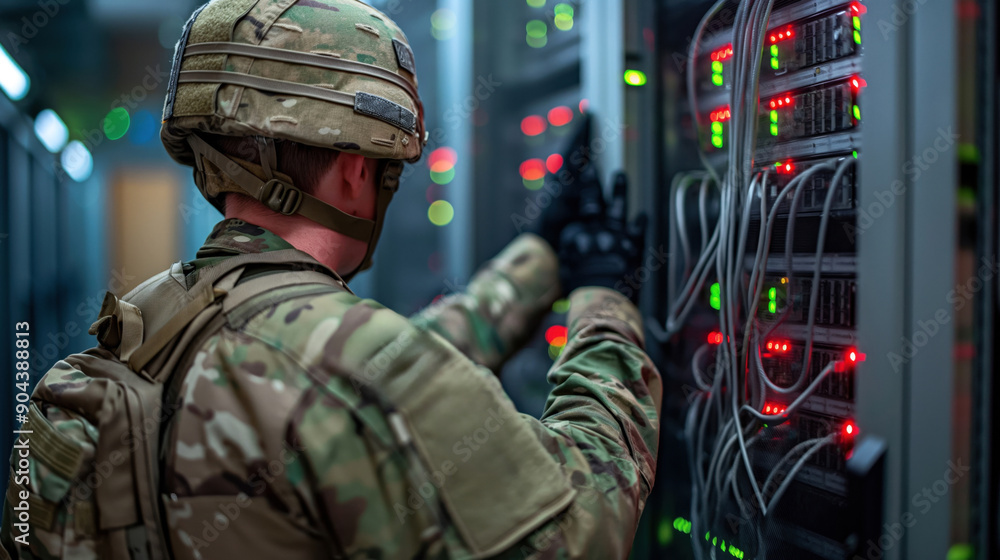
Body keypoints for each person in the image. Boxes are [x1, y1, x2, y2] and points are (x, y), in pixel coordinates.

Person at [1, 1, 661, 558]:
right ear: (354, 170)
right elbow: (586, 525)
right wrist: (606, 302)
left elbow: (373, 374)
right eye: (385, 173)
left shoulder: (140, 332)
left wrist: (540, 256)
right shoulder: (354, 370)